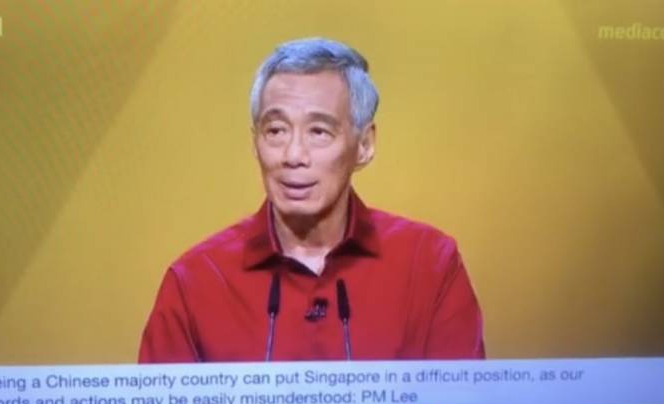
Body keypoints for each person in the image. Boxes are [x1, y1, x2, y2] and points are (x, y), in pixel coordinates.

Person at [139, 37, 485, 363]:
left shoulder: (429, 264)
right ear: (255, 143)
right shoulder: (196, 281)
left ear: (364, 145)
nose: (293, 156)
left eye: (319, 132)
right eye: (276, 131)